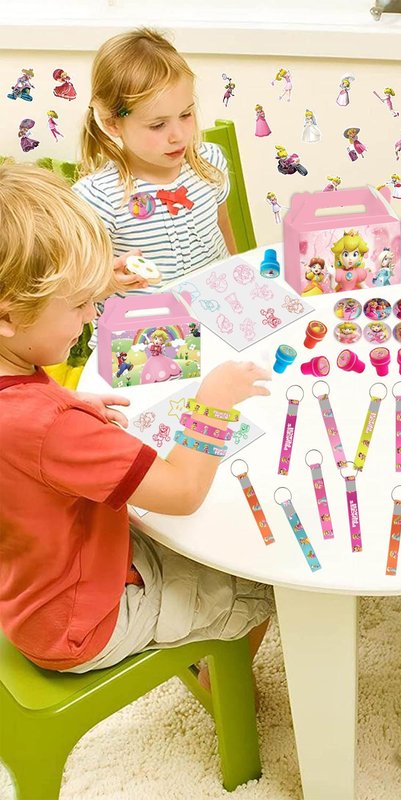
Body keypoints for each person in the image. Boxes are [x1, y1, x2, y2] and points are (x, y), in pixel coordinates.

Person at [0, 164, 273, 679]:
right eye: (80, 304)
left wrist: (68, 404)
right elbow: (183, 491)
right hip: (84, 621)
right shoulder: (52, 427)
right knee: (264, 581)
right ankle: (220, 689)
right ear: (9, 316)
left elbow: (24, 431)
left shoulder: (15, 375)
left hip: (36, 582)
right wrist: (213, 403)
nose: (91, 316)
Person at [74, 28, 236, 288]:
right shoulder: (99, 197)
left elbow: (223, 228)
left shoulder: (209, 163)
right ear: (112, 123)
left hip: (217, 299)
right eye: (158, 125)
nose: (178, 136)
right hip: (146, 313)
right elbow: (79, 283)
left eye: (185, 115)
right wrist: (110, 282)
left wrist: (238, 275)